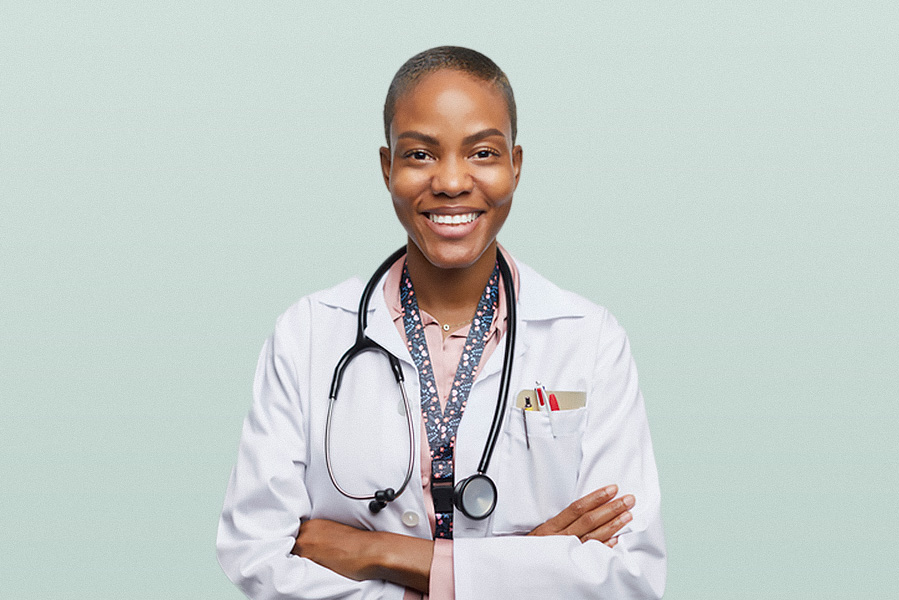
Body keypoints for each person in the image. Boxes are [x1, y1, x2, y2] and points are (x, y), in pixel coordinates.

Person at [217, 46, 666, 599]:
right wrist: (528, 565)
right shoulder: (308, 335)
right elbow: (258, 555)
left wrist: (381, 553)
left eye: (482, 153)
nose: (452, 181)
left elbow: (627, 576)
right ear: (387, 168)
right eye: (420, 155)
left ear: (515, 166)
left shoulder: (588, 340)